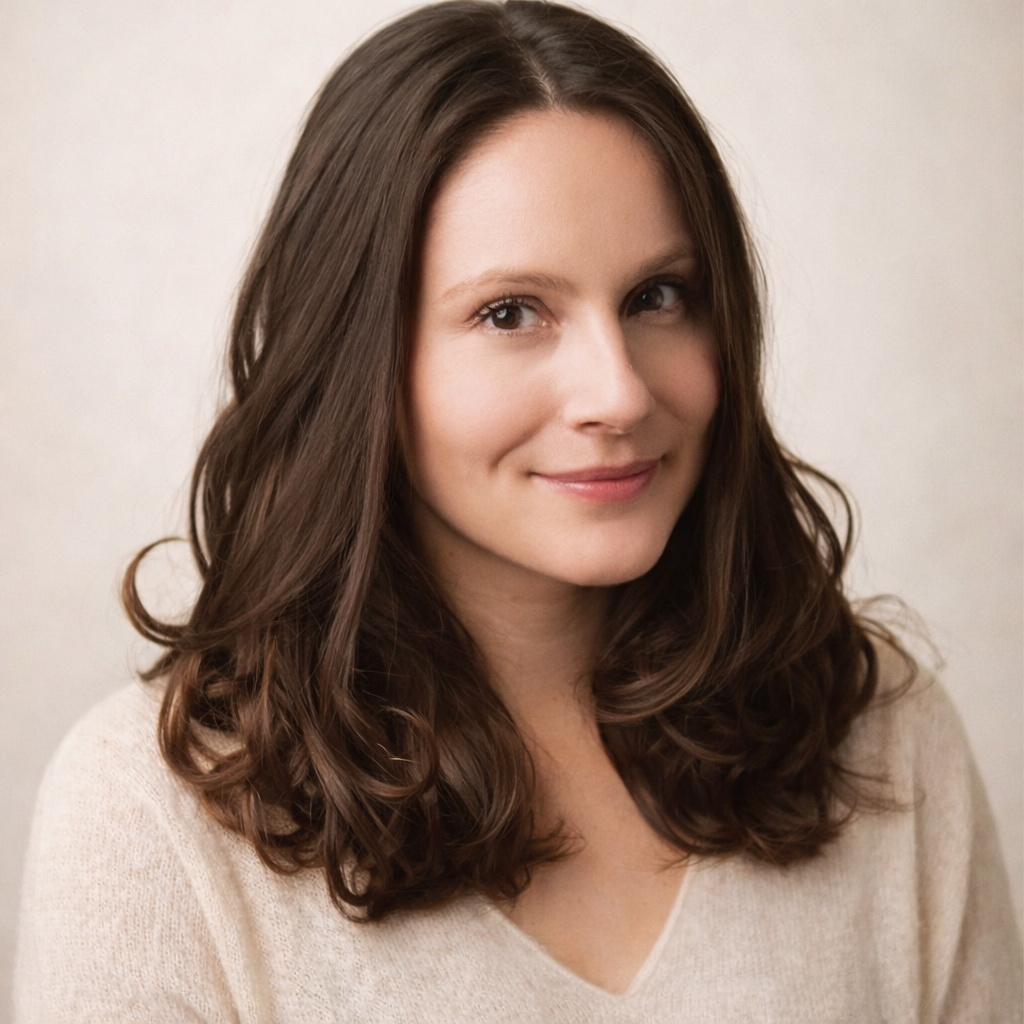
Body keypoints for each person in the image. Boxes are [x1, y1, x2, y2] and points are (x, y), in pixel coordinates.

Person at [13, 1, 1022, 1020]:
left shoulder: (884, 743)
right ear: (360, 359)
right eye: (509, 313)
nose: (619, 393)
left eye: (657, 296)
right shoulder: (149, 819)